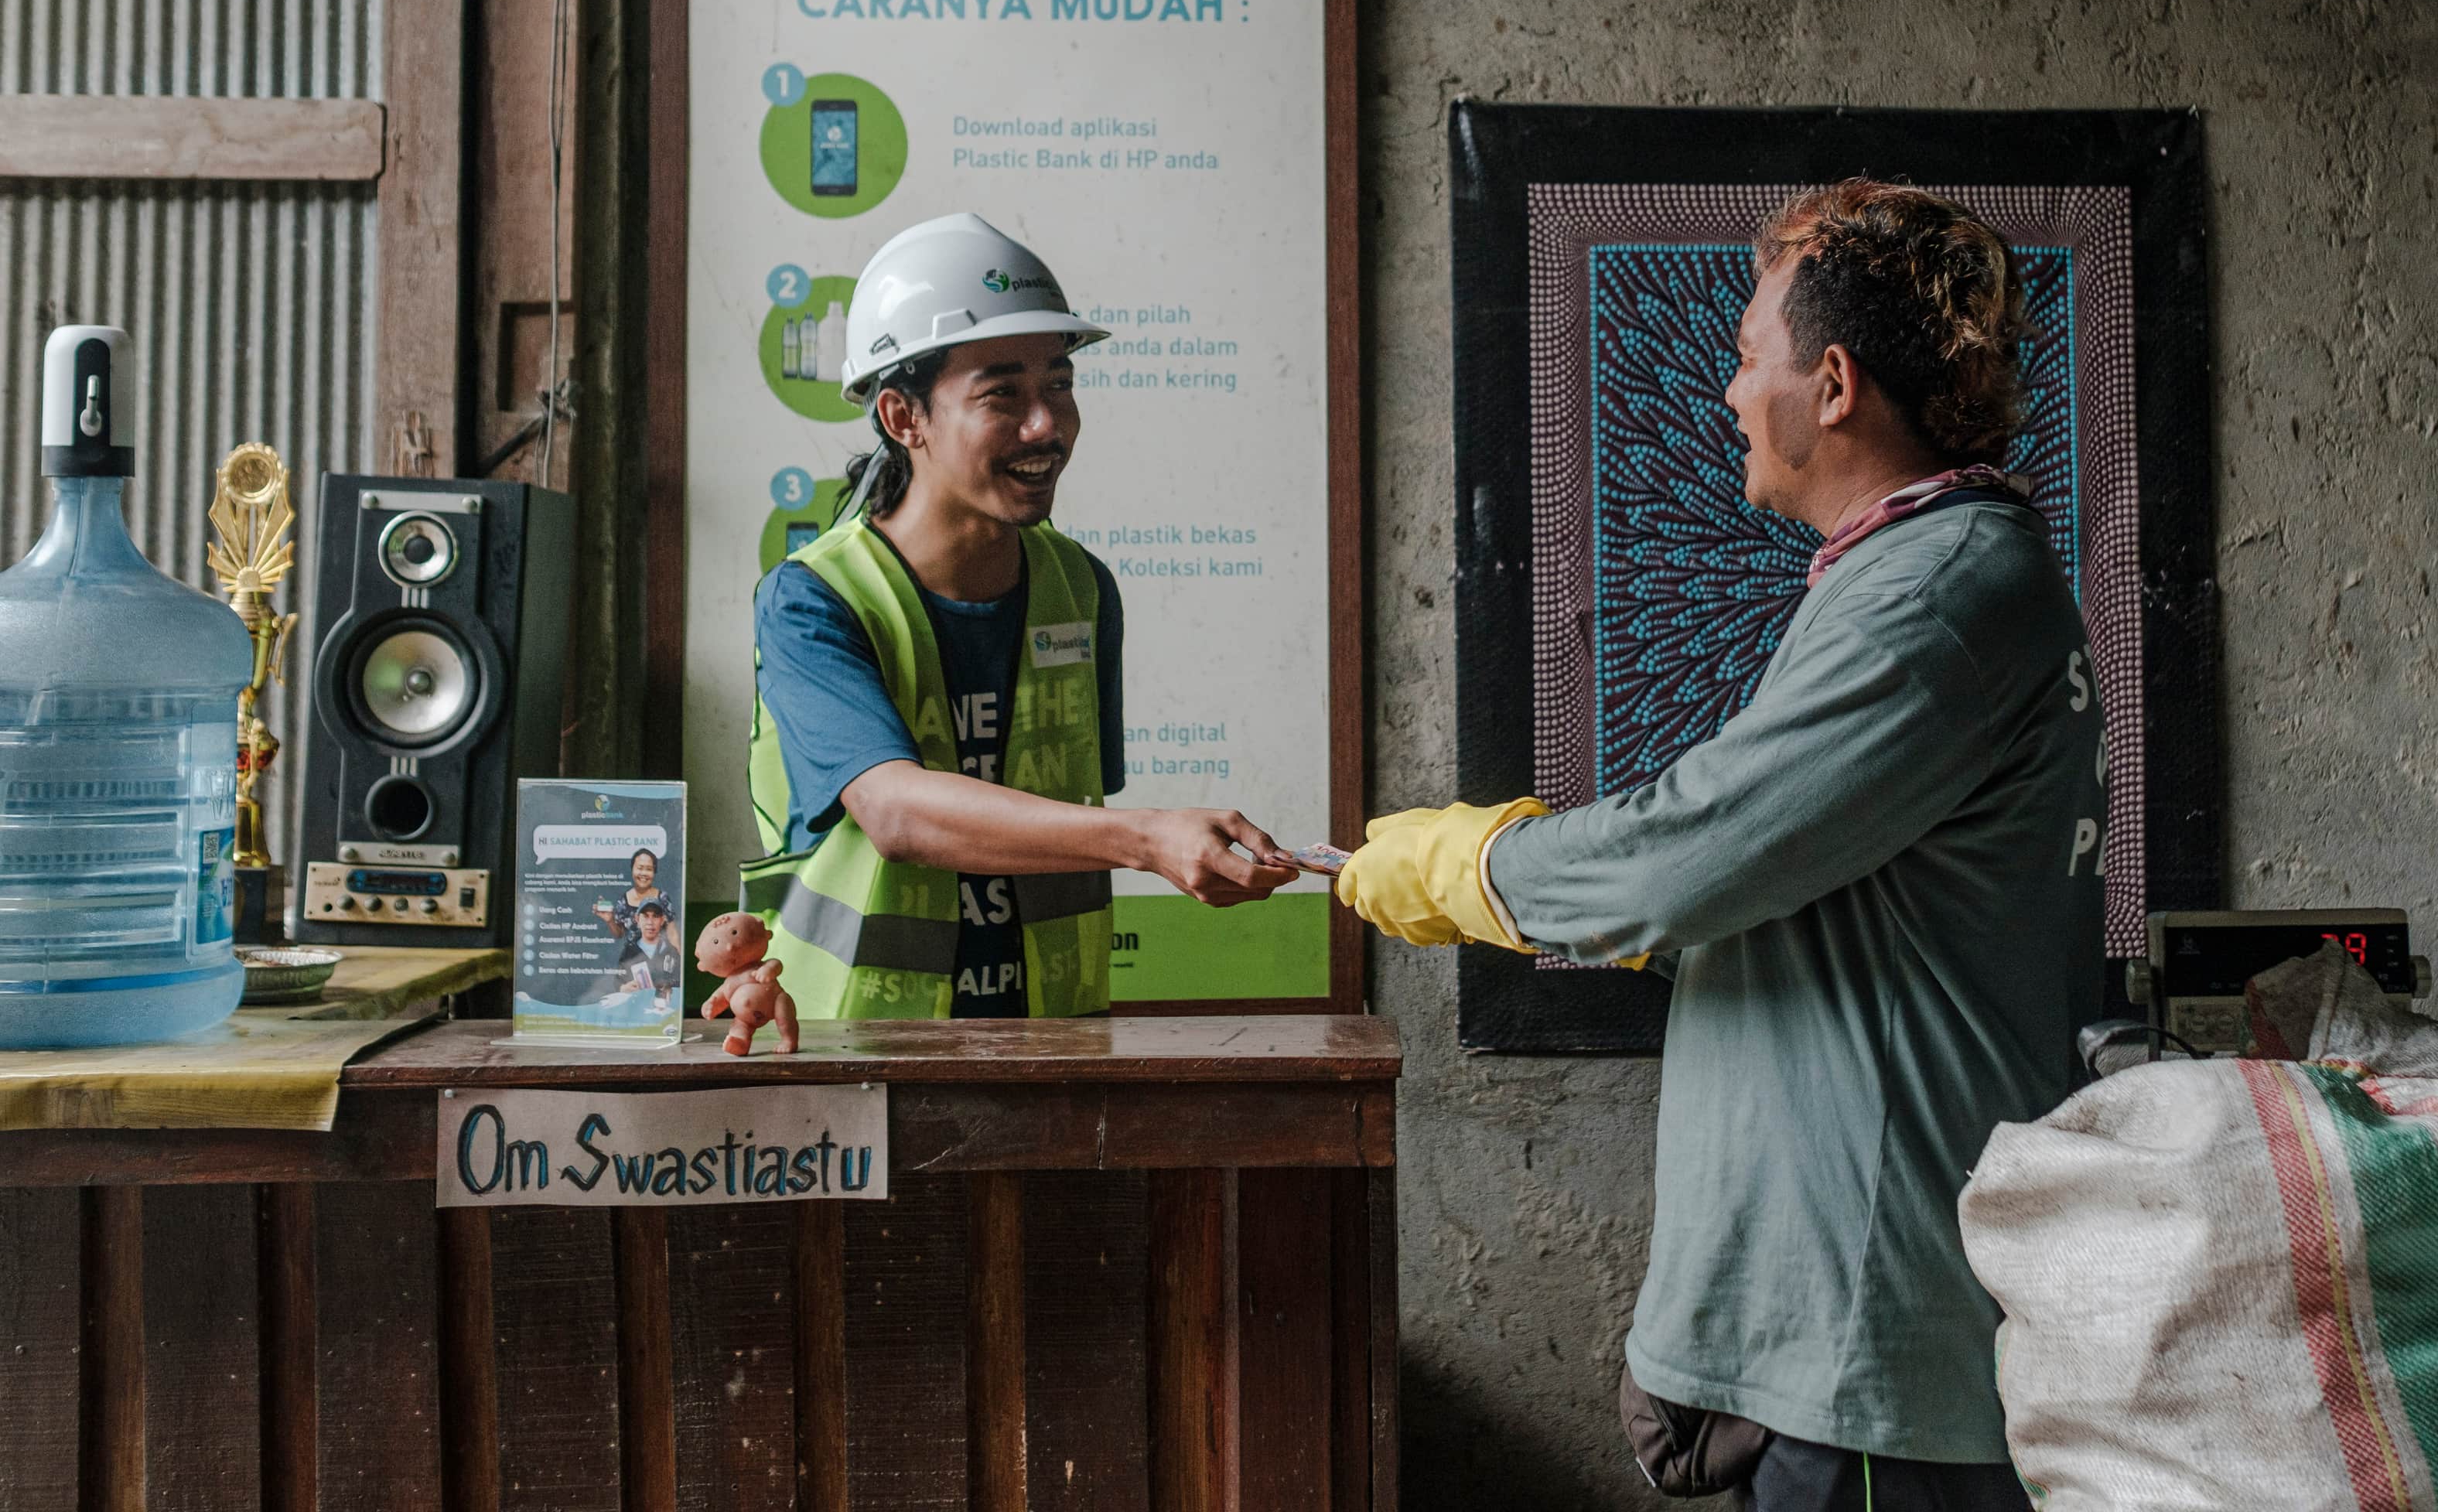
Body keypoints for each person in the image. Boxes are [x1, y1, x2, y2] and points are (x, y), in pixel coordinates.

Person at [1337, 181, 2106, 1512]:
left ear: (1835, 381)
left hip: (1867, 1330)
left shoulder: (1935, 594)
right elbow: (1785, 885)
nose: (1732, 393)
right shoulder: (1910, 574)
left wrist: (1469, 870)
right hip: (1832, 1333)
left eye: (1751, 360)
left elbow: (1689, 852)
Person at [743, 213, 1289, 1020]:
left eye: (1060, 384)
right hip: (860, 1053)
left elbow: (1062, 813)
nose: (1047, 426)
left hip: (1055, 1040)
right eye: (1002, 393)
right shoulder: (814, 600)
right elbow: (893, 810)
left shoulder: (1083, 587)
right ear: (905, 418)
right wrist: (1149, 839)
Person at [592, 847, 668, 957]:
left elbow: (673, 933)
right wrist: (610, 920)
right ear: (632, 869)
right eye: (640, 868)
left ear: (654, 872)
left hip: (659, 959)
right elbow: (619, 934)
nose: (643, 873)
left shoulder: (663, 898)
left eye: (648, 869)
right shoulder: (623, 901)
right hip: (632, 961)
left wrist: (677, 959)